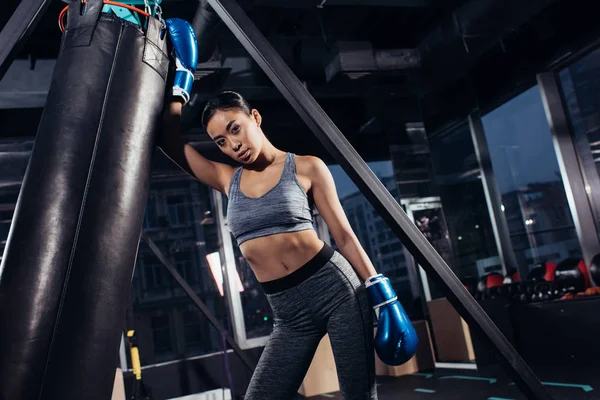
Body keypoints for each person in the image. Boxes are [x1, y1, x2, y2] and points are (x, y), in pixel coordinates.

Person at [160, 18, 418, 400]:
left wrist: (385, 295)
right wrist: (181, 81)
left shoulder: (306, 167)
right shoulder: (227, 179)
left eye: (235, 128)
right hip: (288, 313)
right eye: (220, 141)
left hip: (337, 292)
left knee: (358, 397)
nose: (232, 145)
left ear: (255, 118)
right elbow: (167, 140)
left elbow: (344, 236)